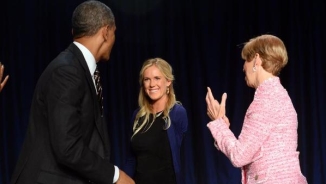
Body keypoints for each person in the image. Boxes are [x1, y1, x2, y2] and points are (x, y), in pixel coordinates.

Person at [10, 1, 134, 184]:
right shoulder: (67, 71)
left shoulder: (76, 68)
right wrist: (115, 176)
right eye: (114, 32)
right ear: (106, 31)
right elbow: (67, 146)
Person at [205, 34, 307, 183]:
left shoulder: (267, 99)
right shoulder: (277, 94)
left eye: (246, 60)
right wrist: (223, 128)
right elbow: (251, 151)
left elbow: (239, 156)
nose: (243, 67)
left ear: (257, 60)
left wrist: (218, 124)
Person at [123, 58, 188, 184]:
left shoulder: (177, 113)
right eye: (147, 79)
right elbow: (131, 159)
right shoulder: (137, 116)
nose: (152, 84)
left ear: (168, 81)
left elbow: (181, 157)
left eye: (157, 78)